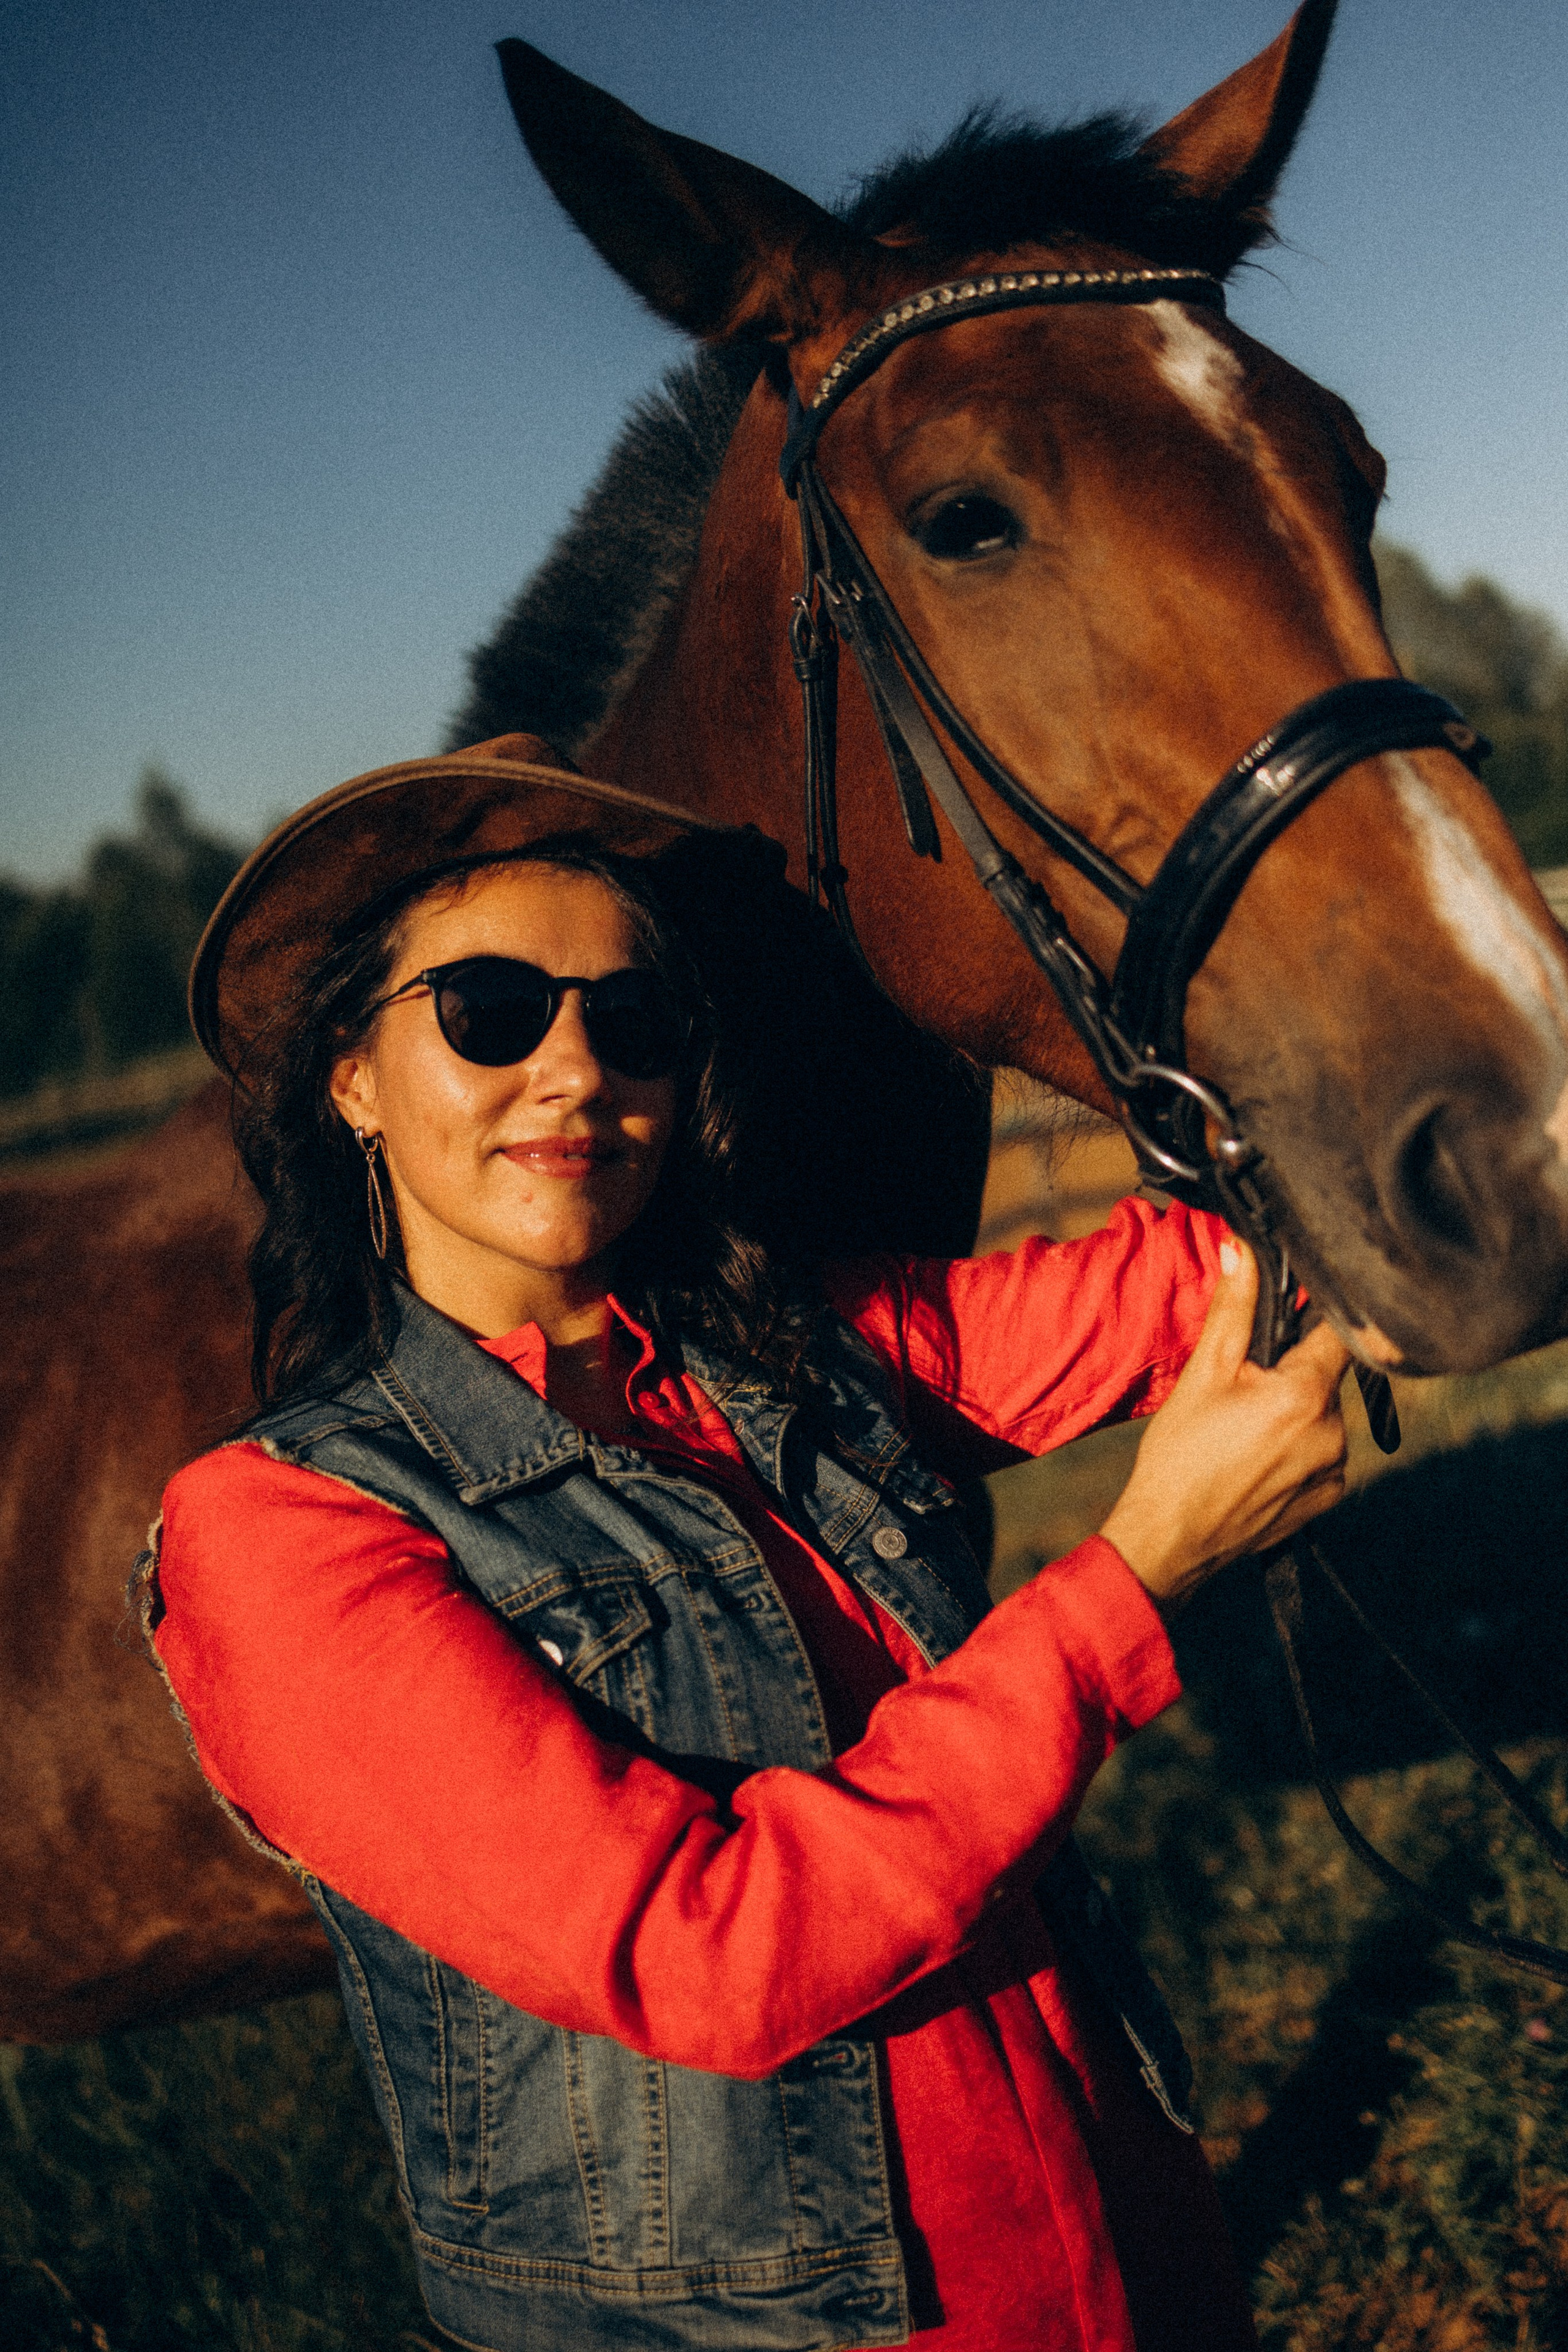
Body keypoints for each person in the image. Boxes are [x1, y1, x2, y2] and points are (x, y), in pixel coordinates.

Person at [139, 733, 1349, 2352]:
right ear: (353, 1075)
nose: (575, 1071)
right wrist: (1136, 1582)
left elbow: (1195, 1279)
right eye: (492, 1012)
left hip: (1123, 2243)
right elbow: (711, 1950)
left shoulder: (789, 1344)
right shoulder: (284, 1531)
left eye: (631, 1022)